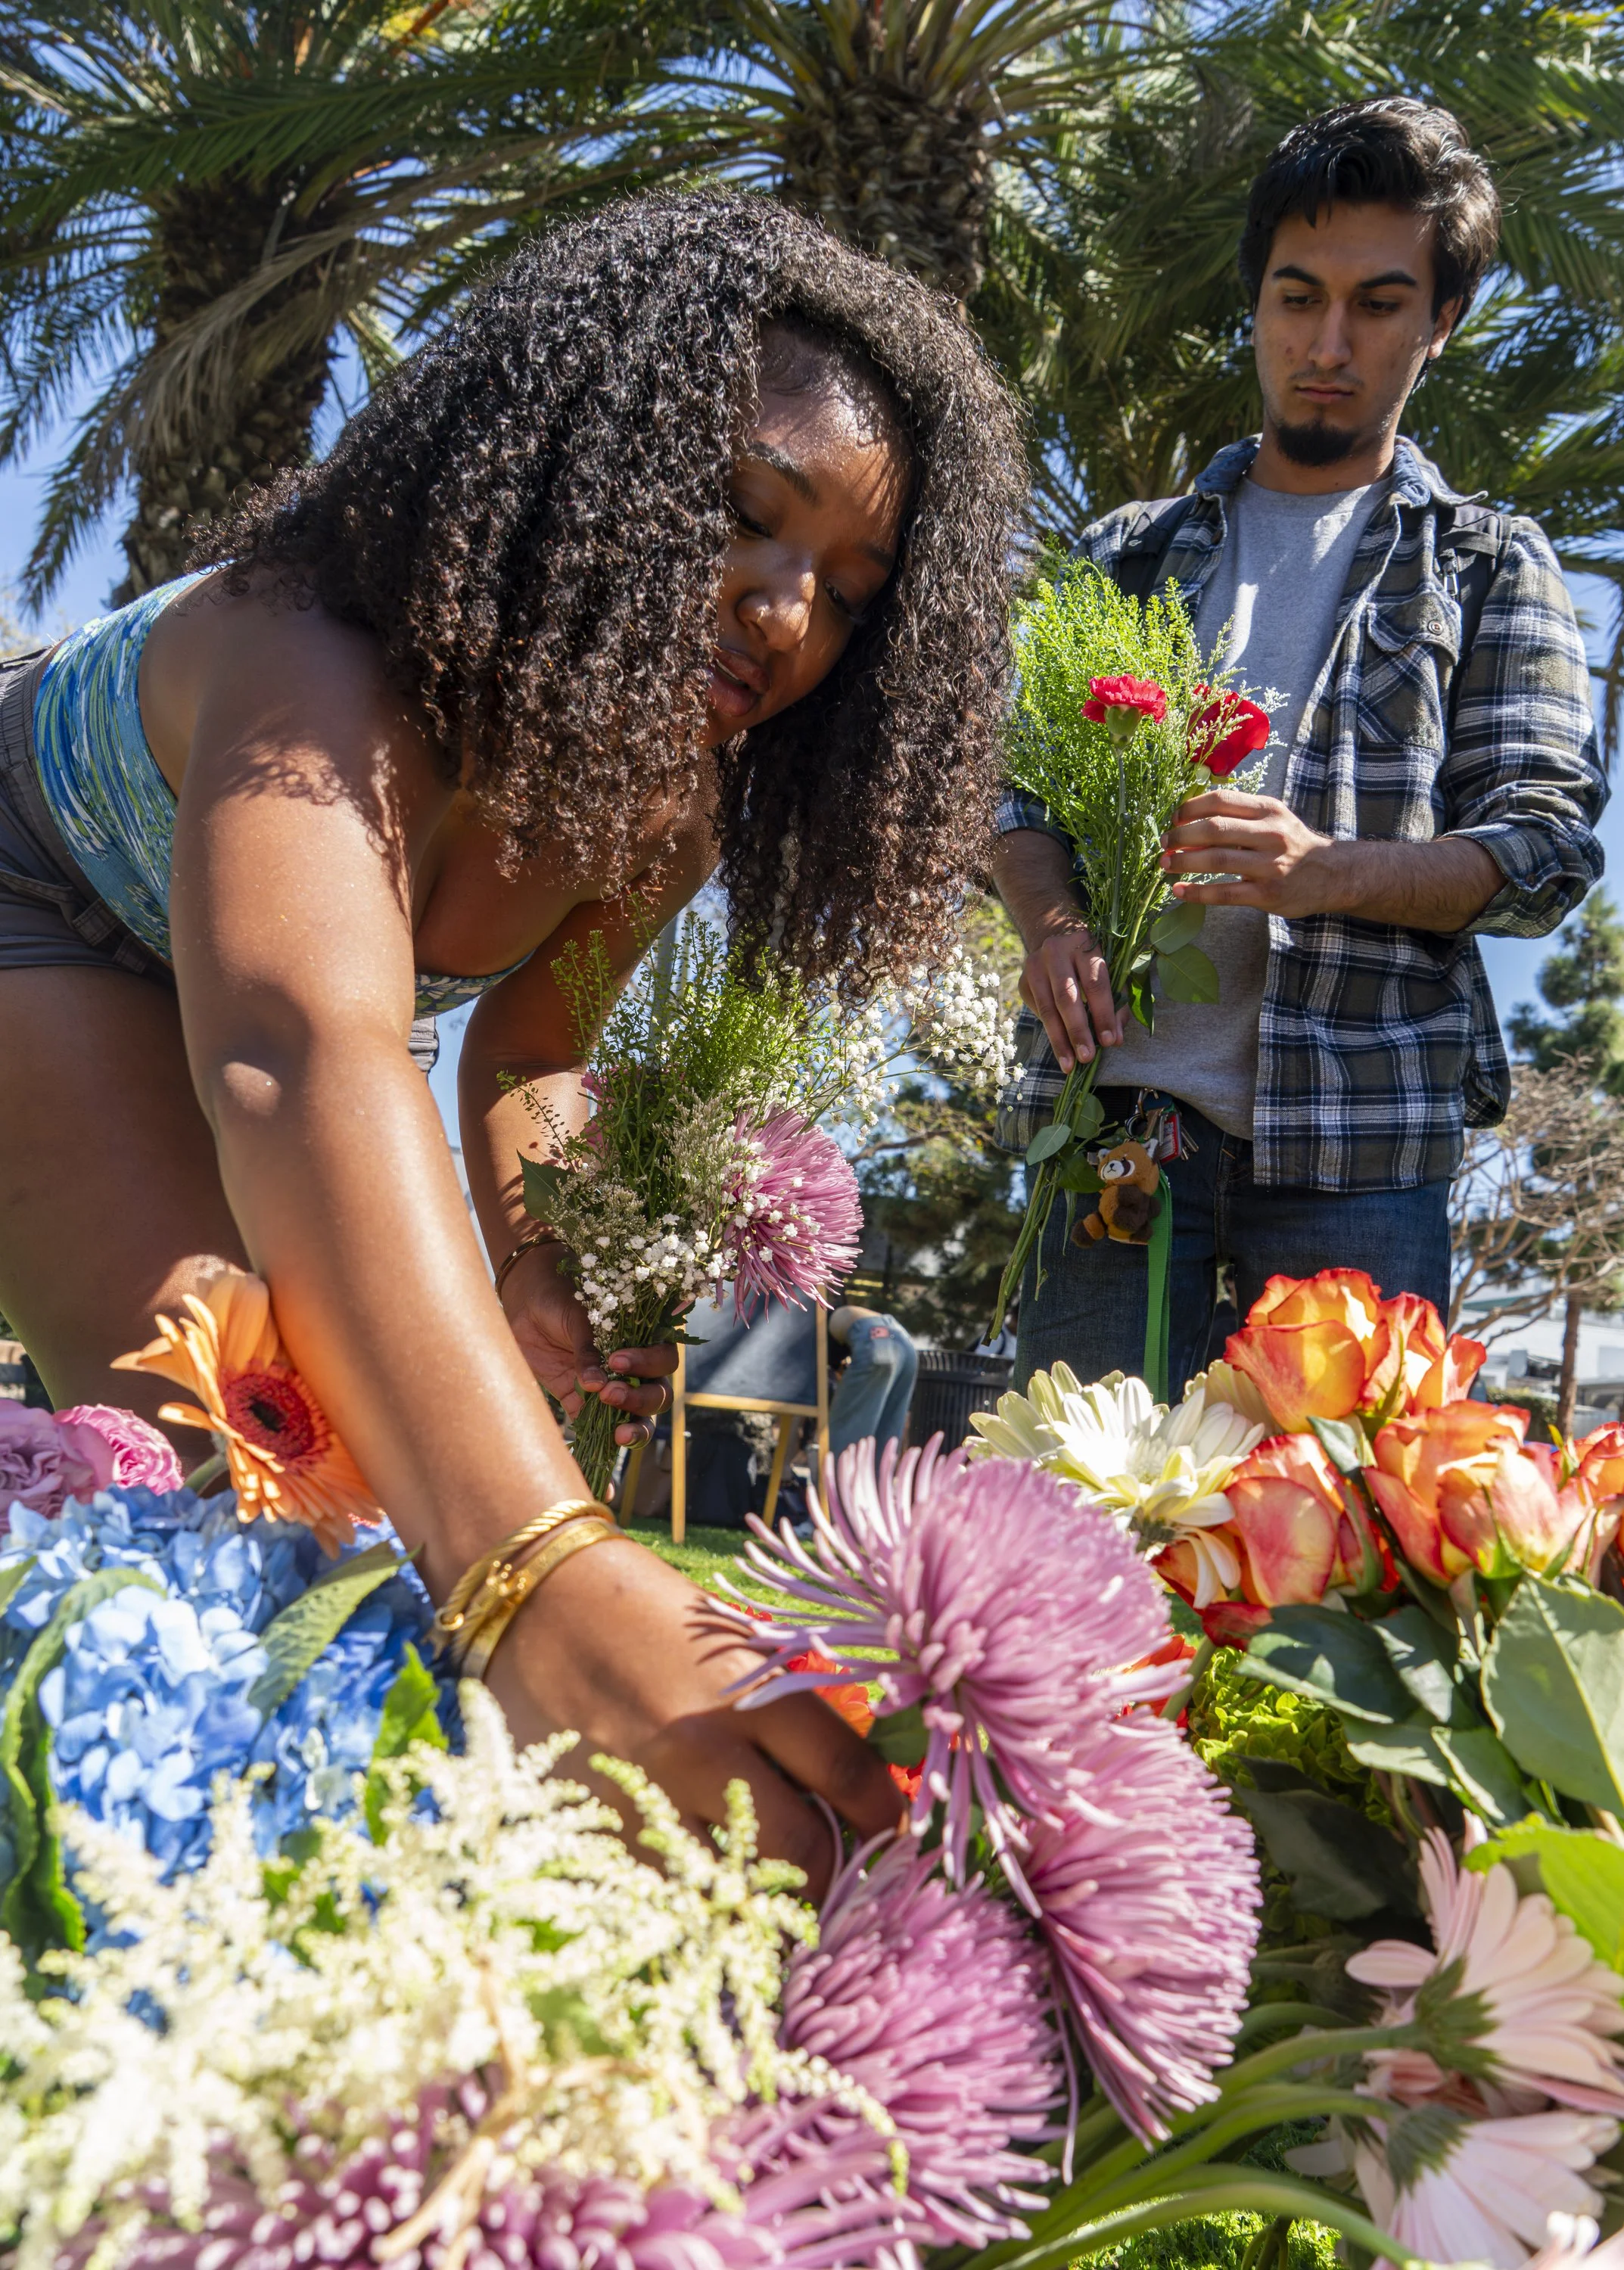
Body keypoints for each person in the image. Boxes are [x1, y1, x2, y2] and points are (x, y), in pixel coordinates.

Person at [0, 191, 1025, 1888]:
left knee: (353, 1523)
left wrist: (545, 1245)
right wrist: (544, 1572)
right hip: (36, 904)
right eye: (737, 515)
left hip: (231, 1003)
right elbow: (301, 1047)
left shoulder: (663, 812)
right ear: (583, 459)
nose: (781, 610)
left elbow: (529, 1049)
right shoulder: (314, 652)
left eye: (844, 589)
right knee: (231, 1512)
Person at [992, 100, 1605, 1396]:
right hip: (1114, 1127)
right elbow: (1015, 797)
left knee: (1334, 1555)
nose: (1327, 343)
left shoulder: (1494, 566)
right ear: (1255, 297)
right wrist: (1052, 925)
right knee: (1081, 1529)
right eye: (1296, 295)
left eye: (1380, 305)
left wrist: (1324, 870)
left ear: (1439, 323)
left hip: (1361, 1152)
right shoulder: (1126, 553)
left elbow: (1544, 851)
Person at [828, 1304, 917, 1460]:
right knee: (885, 1441)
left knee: (845, 1438)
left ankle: (837, 1483)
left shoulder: (810, 1328)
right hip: (906, 1345)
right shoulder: (836, 1310)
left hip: (874, 1339)